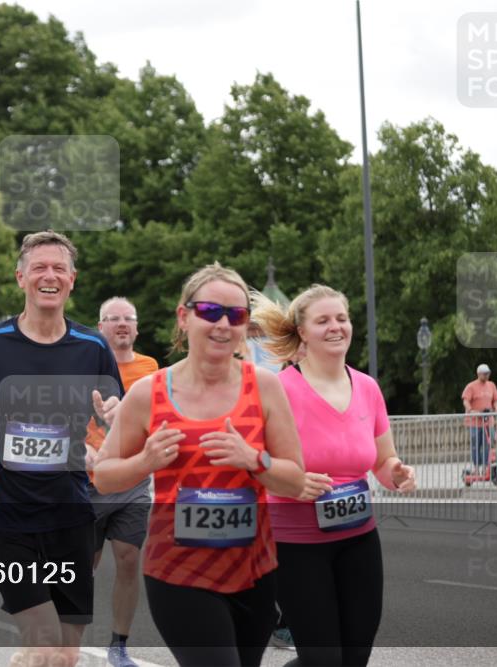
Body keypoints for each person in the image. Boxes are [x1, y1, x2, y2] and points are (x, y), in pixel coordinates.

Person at [94, 262, 305, 667]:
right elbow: (103, 477)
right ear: (184, 316)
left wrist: (253, 460)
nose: (223, 324)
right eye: (210, 312)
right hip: (178, 573)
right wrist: (145, 460)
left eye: (236, 315)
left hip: (255, 572)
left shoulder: (265, 386)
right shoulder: (148, 393)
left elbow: (294, 481)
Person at [0, 231, 123, 667]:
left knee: (65, 655)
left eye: (59, 268)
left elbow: (113, 413)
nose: (49, 275)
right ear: (20, 276)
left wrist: (115, 418)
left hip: (71, 510)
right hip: (5, 514)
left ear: (72, 280)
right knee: (43, 644)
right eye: (39, 267)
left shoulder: (93, 346)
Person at [253, 284, 416, 666]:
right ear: (302, 331)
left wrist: (398, 472)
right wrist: (291, 481)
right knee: (323, 657)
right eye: (323, 320)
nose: (335, 326)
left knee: (355, 655)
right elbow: (252, 462)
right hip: (295, 543)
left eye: (341, 318)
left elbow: (382, 460)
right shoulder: (277, 388)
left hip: (358, 539)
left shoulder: (368, 388)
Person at [86, 297, 159, 667]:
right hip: (89, 483)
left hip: (132, 480)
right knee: (85, 563)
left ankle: (119, 645)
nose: (121, 324)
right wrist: (79, 450)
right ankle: (62, 633)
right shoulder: (82, 365)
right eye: (112, 319)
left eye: (128, 319)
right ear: (100, 327)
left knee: (129, 559)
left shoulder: (150, 368)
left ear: (136, 327)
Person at [462, 364, 497, 475]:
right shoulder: (471, 386)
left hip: (488, 421)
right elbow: (465, 400)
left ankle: (486, 466)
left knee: (488, 444)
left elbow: (495, 400)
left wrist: (496, 409)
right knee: (476, 445)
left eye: (488, 373)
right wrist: (470, 410)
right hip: (474, 422)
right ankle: (476, 467)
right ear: (479, 374)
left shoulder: (491, 385)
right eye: (485, 373)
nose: (487, 375)